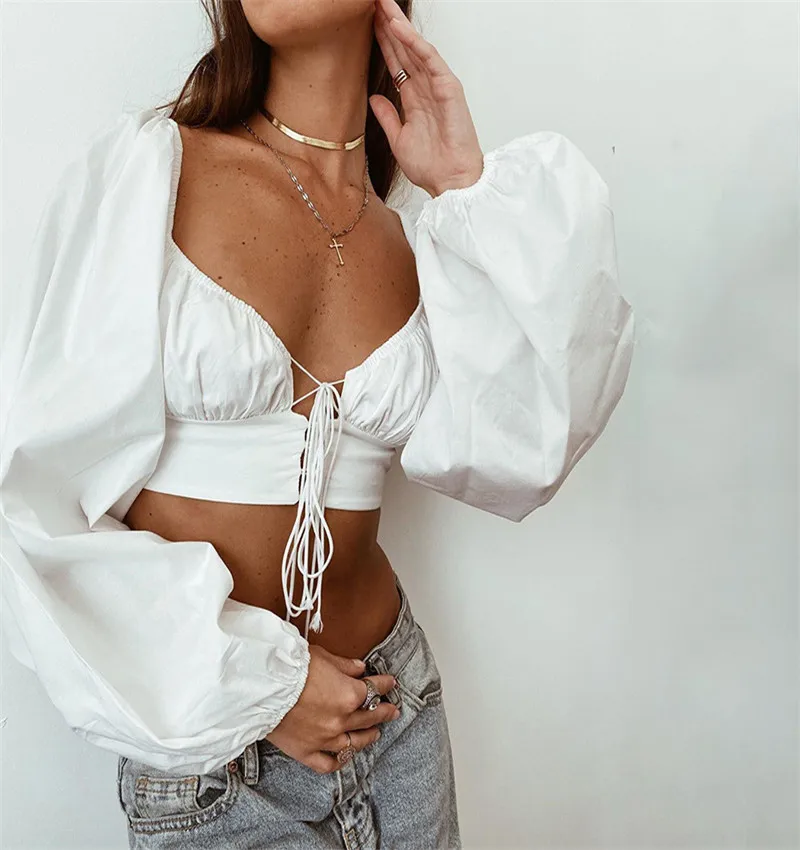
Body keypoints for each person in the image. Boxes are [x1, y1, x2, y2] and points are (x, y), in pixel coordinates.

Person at [0, 0, 636, 846]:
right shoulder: (151, 172)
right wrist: (263, 687)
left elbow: (528, 450)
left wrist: (465, 188)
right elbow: (37, 499)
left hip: (394, 714)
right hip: (215, 756)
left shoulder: (416, 237)